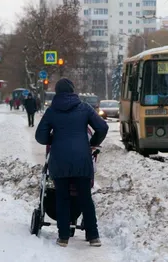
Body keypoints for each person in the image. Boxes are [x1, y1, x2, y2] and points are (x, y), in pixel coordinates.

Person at [35, 78, 108, 247]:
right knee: (85, 198)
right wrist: (92, 143)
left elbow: (40, 136)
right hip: (82, 160)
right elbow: (102, 127)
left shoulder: (52, 111)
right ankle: (93, 236)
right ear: (73, 90)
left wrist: (52, 138)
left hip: (59, 160)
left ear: (57, 92)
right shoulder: (84, 108)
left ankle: (63, 237)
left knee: (62, 197)